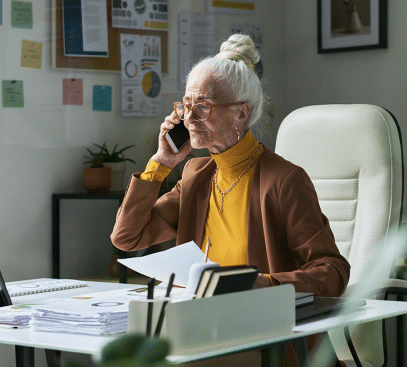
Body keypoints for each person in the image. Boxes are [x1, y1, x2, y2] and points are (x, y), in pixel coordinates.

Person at [110, 34, 350, 298]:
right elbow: (127, 238)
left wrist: (263, 284)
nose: (189, 118)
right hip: (199, 321)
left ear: (241, 113)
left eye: (203, 107)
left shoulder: (284, 181)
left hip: (260, 327)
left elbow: (332, 271)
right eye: (186, 105)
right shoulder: (195, 176)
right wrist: (162, 162)